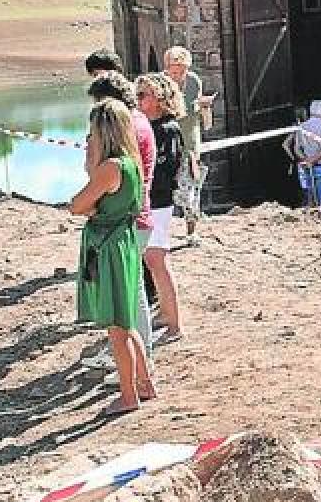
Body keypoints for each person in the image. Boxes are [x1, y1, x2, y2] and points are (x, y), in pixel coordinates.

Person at [68, 99, 153, 416]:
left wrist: (90, 167)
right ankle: (145, 383)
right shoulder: (131, 163)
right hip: (124, 241)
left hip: (109, 248)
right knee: (128, 319)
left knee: (117, 327)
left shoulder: (109, 168)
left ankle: (128, 395)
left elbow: (78, 205)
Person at [134, 73, 186, 344]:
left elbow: (170, 168)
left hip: (158, 202)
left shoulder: (168, 129)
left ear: (160, 99)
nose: (138, 99)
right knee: (152, 262)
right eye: (137, 94)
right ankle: (167, 315)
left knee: (157, 261)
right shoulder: (148, 126)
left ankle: (174, 324)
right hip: (150, 201)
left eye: (144, 95)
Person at [163, 45, 213, 240]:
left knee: (191, 186)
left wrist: (204, 107)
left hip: (190, 143)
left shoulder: (193, 82)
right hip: (167, 141)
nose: (177, 75)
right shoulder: (161, 83)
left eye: (181, 71)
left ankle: (191, 230)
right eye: (173, 71)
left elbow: (204, 120)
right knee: (164, 187)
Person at [291, 99, 321, 209]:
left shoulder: (301, 127)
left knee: (311, 200)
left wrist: (307, 160)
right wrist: (311, 160)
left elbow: (296, 149)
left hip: (308, 169)